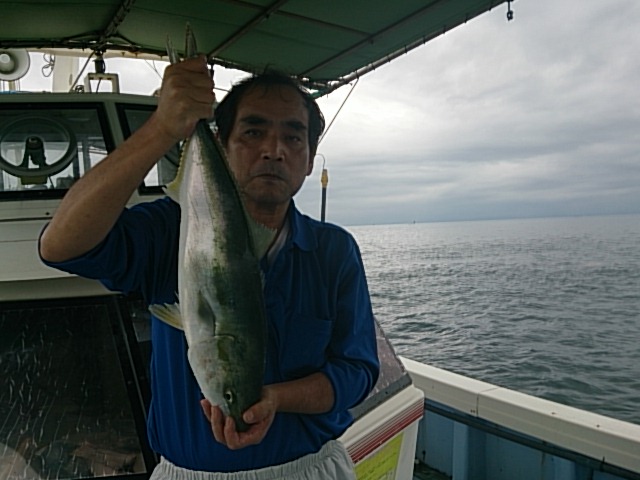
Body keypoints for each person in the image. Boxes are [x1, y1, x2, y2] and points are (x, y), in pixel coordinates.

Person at [38, 56, 379, 479]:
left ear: (309, 160)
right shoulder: (170, 229)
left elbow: (357, 371)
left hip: (311, 469)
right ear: (221, 144)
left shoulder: (333, 250)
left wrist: (275, 398)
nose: (274, 151)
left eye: (294, 138)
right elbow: (60, 246)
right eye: (253, 132)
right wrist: (163, 129)